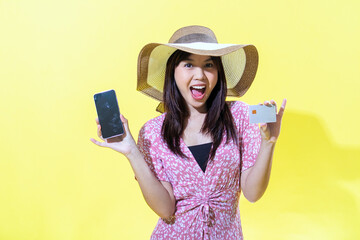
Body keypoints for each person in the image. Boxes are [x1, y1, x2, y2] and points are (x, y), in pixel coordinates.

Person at [91, 25, 286, 239]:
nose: (200, 75)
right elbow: (165, 209)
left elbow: (252, 193)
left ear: (218, 71)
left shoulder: (240, 116)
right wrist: (132, 152)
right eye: (189, 64)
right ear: (173, 71)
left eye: (208, 64)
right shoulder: (152, 132)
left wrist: (269, 143)